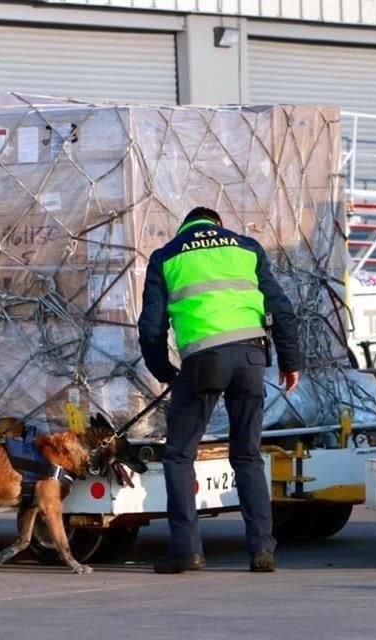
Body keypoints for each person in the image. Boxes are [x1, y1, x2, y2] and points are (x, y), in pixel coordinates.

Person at [138, 206, 302, 574]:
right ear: (218, 225)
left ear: (186, 227)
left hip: (202, 362)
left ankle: (188, 552)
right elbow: (282, 309)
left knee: (179, 455)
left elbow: (151, 326)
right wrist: (291, 362)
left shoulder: (166, 256)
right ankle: (262, 550)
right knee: (247, 455)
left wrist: (165, 372)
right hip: (251, 359)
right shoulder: (246, 248)